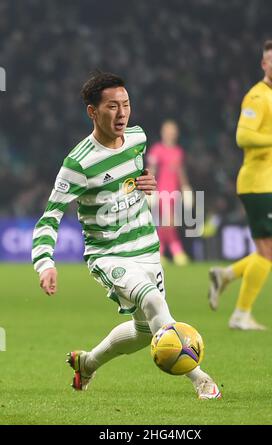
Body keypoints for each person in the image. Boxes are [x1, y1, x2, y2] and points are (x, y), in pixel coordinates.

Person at [32, 71, 221, 399]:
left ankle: (87, 363)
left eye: (126, 104)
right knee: (152, 299)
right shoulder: (78, 164)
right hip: (109, 254)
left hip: (146, 246)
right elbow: (50, 217)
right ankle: (201, 380)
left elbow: (133, 178)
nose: (122, 114)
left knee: (143, 331)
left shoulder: (137, 138)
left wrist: (145, 180)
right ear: (93, 112)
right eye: (111, 107)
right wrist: (44, 262)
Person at [208, 40, 272, 330]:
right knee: (269, 253)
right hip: (258, 185)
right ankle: (240, 315)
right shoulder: (257, 97)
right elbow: (243, 137)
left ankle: (227, 275)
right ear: (264, 64)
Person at [147, 120, 191, 266]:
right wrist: (150, 190)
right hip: (162, 192)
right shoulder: (157, 149)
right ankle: (177, 251)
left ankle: (159, 252)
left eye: (173, 131)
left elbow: (180, 172)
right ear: (163, 133)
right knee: (168, 222)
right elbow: (151, 170)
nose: (171, 134)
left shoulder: (178, 151)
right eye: (168, 131)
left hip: (175, 192)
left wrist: (185, 188)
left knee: (168, 224)